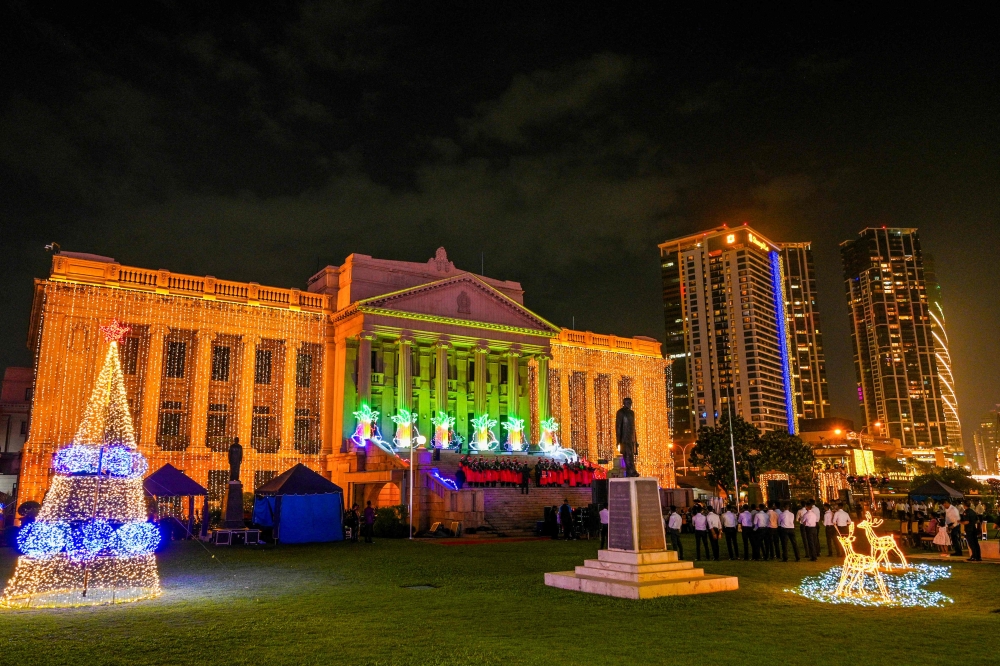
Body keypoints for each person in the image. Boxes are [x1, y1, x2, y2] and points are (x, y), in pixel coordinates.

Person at [615, 397, 639, 477]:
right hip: (624, 438)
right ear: (624, 403)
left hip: (631, 438)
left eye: (630, 403)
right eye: (628, 403)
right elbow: (618, 426)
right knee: (627, 455)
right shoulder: (620, 412)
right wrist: (618, 440)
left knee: (631, 455)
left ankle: (630, 471)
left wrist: (635, 440)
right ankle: (631, 471)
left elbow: (633, 427)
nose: (630, 404)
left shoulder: (632, 413)